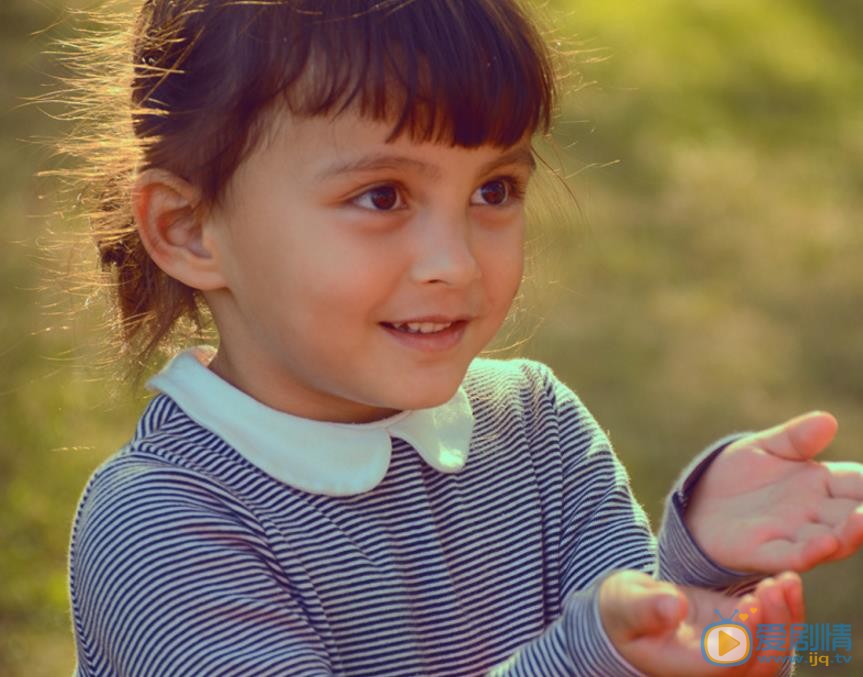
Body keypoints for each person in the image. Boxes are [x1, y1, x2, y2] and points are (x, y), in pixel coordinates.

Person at [59, 1, 863, 675]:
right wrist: (591, 655)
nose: (455, 262)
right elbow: (581, 652)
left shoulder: (538, 426)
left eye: (494, 189)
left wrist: (696, 578)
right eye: (382, 196)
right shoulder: (164, 527)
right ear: (189, 228)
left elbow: (614, 637)